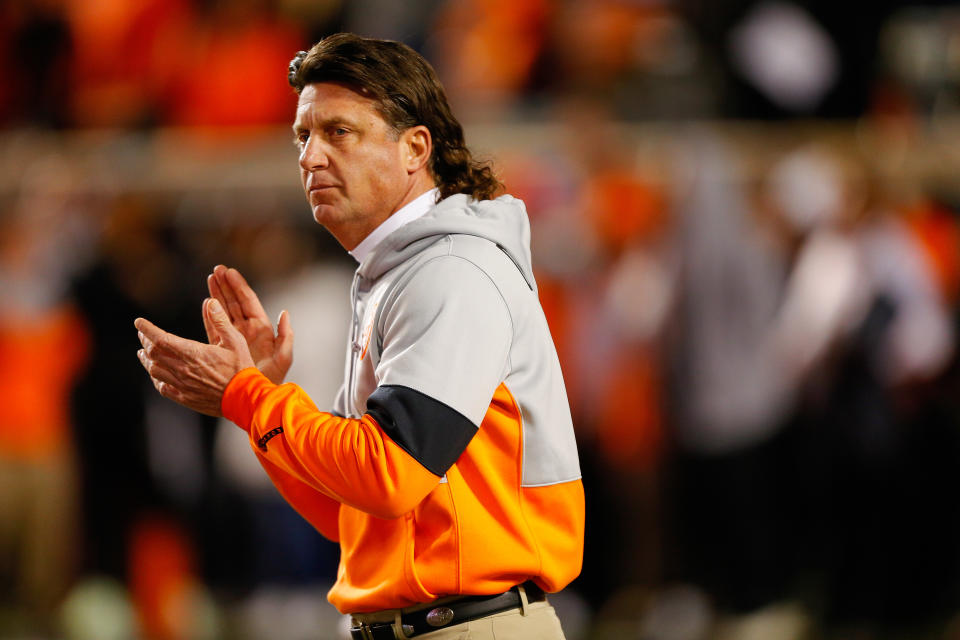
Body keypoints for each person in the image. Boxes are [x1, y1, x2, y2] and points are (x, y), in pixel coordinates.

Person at [134, 33, 584, 639]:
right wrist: (256, 402)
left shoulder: (453, 270)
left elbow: (389, 472)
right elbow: (351, 510)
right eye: (303, 136)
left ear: (414, 148)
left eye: (339, 132)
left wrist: (249, 397)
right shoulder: (404, 272)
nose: (311, 157)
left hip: (469, 626)